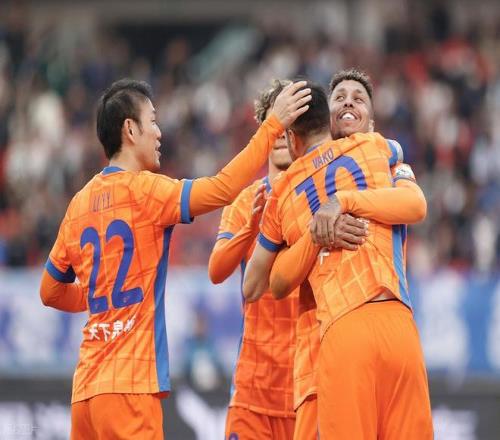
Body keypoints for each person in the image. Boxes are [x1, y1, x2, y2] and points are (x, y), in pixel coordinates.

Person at [39, 78, 311, 439]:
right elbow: (223, 188)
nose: (159, 133)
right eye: (152, 121)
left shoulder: (78, 203)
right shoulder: (147, 190)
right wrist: (272, 125)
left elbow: (49, 291)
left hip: (85, 389)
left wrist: (95, 295)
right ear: (130, 130)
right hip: (131, 385)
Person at [243, 78, 433, 439]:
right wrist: (320, 231)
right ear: (327, 120)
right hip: (389, 324)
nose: (348, 103)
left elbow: (271, 283)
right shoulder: (380, 150)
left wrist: (341, 203)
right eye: (340, 98)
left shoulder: (284, 191)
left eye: (358, 98)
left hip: (342, 333)